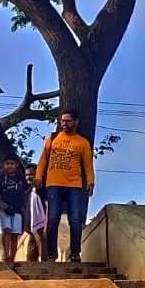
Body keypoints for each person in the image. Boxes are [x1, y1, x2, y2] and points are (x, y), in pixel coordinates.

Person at [35, 110, 95, 262]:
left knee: (75, 219)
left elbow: (88, 165)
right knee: (53, 219)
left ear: (76, 122)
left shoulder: (82, 142)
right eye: (62, 121)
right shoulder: (52, 138)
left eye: (68, 121)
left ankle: (75, 253)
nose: (64, 124)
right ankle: (51, 254)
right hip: (54, 184)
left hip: (74, 186)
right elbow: (43, 160)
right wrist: (38, 177)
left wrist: (90, 181)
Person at [0, 157, 27, 263]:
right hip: (5, 208)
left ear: (16, 165)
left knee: (15, 234)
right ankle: (6, 254)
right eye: (7, 164)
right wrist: (1, 204)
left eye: (11, 164)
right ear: (4, 166)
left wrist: (24, 207)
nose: (9, 166)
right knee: (6, 230)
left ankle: (12, 257)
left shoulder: (21, 178)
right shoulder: (2, 179)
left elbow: (25, 193)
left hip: (18, 209)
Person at [23, 163, 47, 262]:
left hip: (40, 225)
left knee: (43, 251)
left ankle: (47, 268)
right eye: (27, 175)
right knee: (31, 256)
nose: (29, 177)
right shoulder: (29, 191)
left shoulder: (42, 189)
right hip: (31, 228)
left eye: (31, 174)